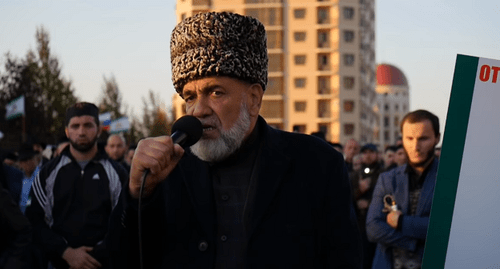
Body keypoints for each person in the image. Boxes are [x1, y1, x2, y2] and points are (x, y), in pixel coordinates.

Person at [108, 12, 361, 269]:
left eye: (215, 92)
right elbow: (122, 258)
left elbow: (344, 258)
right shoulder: (166, 169)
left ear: (253, 100)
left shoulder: (316, 163)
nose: (198, 110)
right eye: (190, 97)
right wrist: (138, 194)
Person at [25, 102, 128, 269]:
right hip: (59, 263)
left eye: (88, 125)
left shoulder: (117, 173)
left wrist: (95, 256)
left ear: (99, 129)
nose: (81, 132)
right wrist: (66, 252)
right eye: (75, 126)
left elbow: (126, 220)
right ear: (67, 131)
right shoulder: (47, 173)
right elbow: (34, 220)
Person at [366, 110, 441, 269]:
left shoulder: (448, 180)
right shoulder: (388, 178)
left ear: (437, 138)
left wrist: (401, 222)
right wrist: (414, 241)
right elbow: (373, 227)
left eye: (423, 138)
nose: (416, 146)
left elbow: (443, 228)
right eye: (409, 138)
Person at [350, 143, 383, 269]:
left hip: (378, 224)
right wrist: (359, 191)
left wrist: (369, 204)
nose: (368, 155)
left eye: (371, 152)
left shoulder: (384, 175)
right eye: (365, 152)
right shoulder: (355, 175)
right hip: (359, 225)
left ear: (376, 154)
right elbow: (346, 197)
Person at [17, 144, 43, 214]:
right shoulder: (19, 178)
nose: (28, 162)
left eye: (30, 158)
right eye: (24, 160)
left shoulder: (42, 176)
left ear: (34, 158)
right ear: (20, 163)